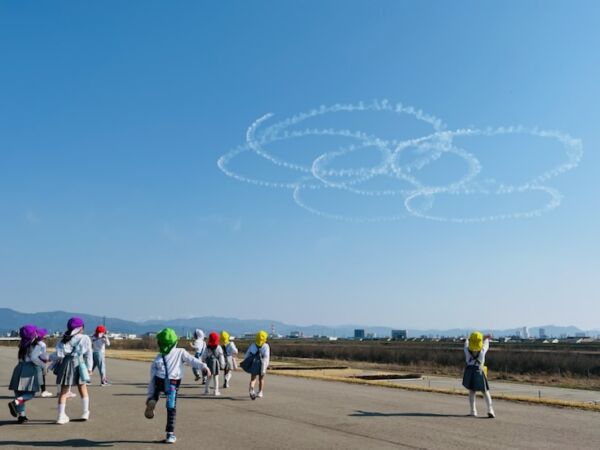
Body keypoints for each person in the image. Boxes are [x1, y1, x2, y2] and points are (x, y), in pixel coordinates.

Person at [145, 328, 210, 444]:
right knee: (171, 408)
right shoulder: (181, 352)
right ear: (175, 342)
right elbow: (192, 361)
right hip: (173, 384)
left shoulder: (158, 357)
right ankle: (170, 434)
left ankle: (153, 399)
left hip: (159, 380)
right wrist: (204, 366)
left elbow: (152, 378)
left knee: (156, 390)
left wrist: (149, 395)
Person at [54, 317, 93, 424]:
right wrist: (89, 368)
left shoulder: (64, 338)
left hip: (66, 364)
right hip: (79, 364)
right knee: (82, 388)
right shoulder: (85, 338)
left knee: (63, 391)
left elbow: (58, 354)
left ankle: (61, 416)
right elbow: (89, 354)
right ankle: (85, 412)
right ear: (81, 328)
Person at [8, 325, 45, 423]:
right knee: (31, 393)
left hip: (19, 368)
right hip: (29, 369)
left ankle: (22, 416)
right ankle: (15, 403)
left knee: (19, 393)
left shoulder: (21, 345)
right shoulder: (37, 345)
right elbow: (34, 358)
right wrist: (43, 365)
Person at [462, 331, 495, 418]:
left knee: (472, 391)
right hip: (479, 371)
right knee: (485, 391)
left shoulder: (466, 349)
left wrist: (467, 339)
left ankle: (473, 411)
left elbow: (466, 342)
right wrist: (486, 338)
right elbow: (486, 343)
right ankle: (490, 410)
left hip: (469, 371)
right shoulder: (482, 351)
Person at [241, 330, 270, 400]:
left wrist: (247, 361)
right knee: (261, 379)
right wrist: (266, 366)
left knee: (253, 378)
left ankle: (251, 389)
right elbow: (266, 357)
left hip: (254, 363)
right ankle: (260, 392)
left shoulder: (253, 345)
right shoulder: (266, 346)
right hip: (262, 363)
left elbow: (247, 354)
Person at [36, 327, 54, 397]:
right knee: (42, 376)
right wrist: (48, 359)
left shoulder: (33, 343)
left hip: (33, 361)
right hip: (40, 361)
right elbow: (43, 355)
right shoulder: (42, 344)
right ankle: (43, 391)